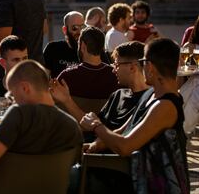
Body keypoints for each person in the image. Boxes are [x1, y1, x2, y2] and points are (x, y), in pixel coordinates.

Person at [81, 38, 189, 193]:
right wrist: (93, 146)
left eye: (143, 61)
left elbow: (125, 146)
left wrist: (96, 125)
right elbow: (123, 131)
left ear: (150, 67)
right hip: (137, 178)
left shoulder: (166, 106)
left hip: (159, 187)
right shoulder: (151, 95)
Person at [0, 60, 82, 174]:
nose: (12, 102)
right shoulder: (72, 126)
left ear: (25, 88)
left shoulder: (19, 115)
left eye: (12, 95)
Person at [51, 41, 149, 131]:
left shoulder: (150, 101)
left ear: (132, 67)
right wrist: (67, 100)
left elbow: (119, 140)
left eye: (116, 65)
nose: (113, 70)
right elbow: (91, 126)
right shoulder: (118, 95)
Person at [57, 27, 119, 101]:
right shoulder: (116, 76)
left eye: (79, 44)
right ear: (102, 47)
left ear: (83, 46)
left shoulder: (66, 78)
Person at [43, 11, 84, 78]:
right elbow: (43, 79)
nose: (79, 32)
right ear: (65, 30)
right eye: (74, 28)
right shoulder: (52, 49)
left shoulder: (90, 50)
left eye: (82, 27)